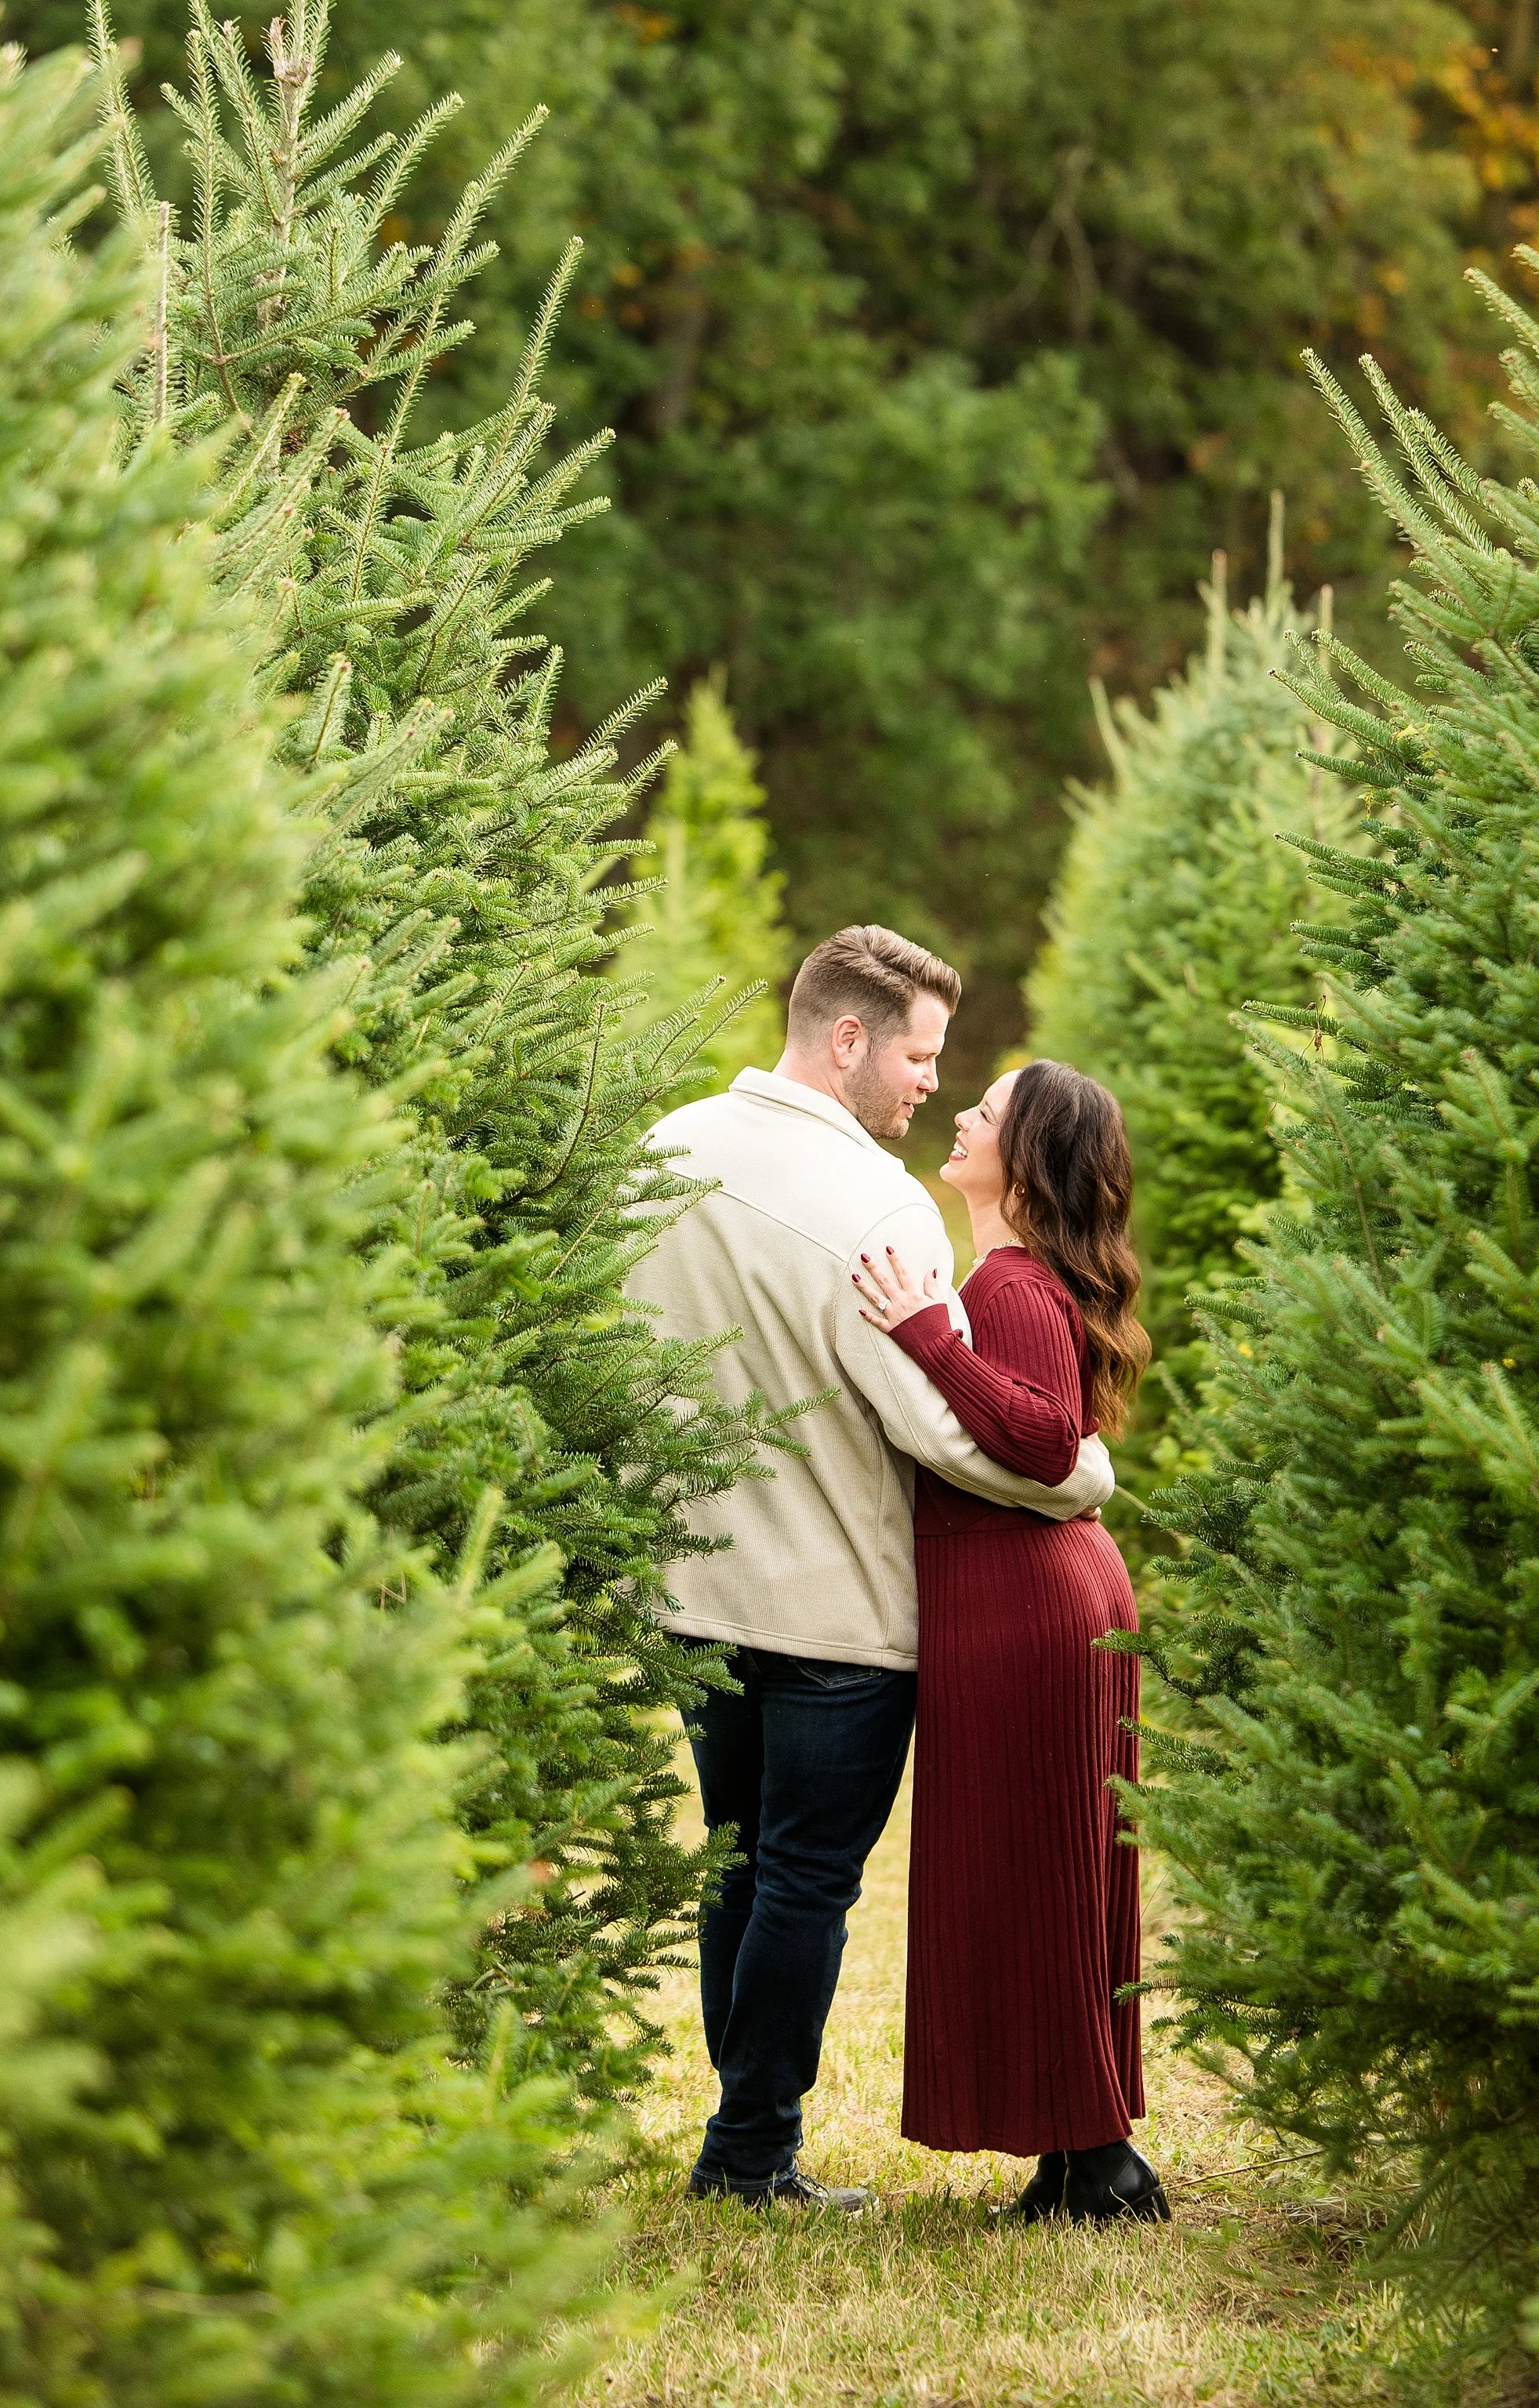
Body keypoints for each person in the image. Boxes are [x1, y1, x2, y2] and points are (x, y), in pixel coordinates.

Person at [628, 926, 1114, 2213]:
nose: (925, 1085)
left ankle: (741, 2136)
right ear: (848, 1039)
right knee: (803, 1878)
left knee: (735, 1858)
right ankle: (749, 2154)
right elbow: (957, 1437)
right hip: (836, 1611)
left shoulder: (662, 1150)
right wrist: (1086, 1478)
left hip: (691, 1590)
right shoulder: (875, 1207)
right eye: (917, 1053)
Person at [851, 1057, 1168, 2225]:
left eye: (986, 1109)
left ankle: (1104, 2162)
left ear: (1025, 1159)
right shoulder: (1015, 1276)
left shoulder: (1012, 1287)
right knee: (1051, 1872)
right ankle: (1078, 2155)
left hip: (1033, 1607)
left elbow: (1043, 1440)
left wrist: (933, 1337)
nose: (963, 1114)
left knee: (1042, 1871)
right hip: (1035, 1597)